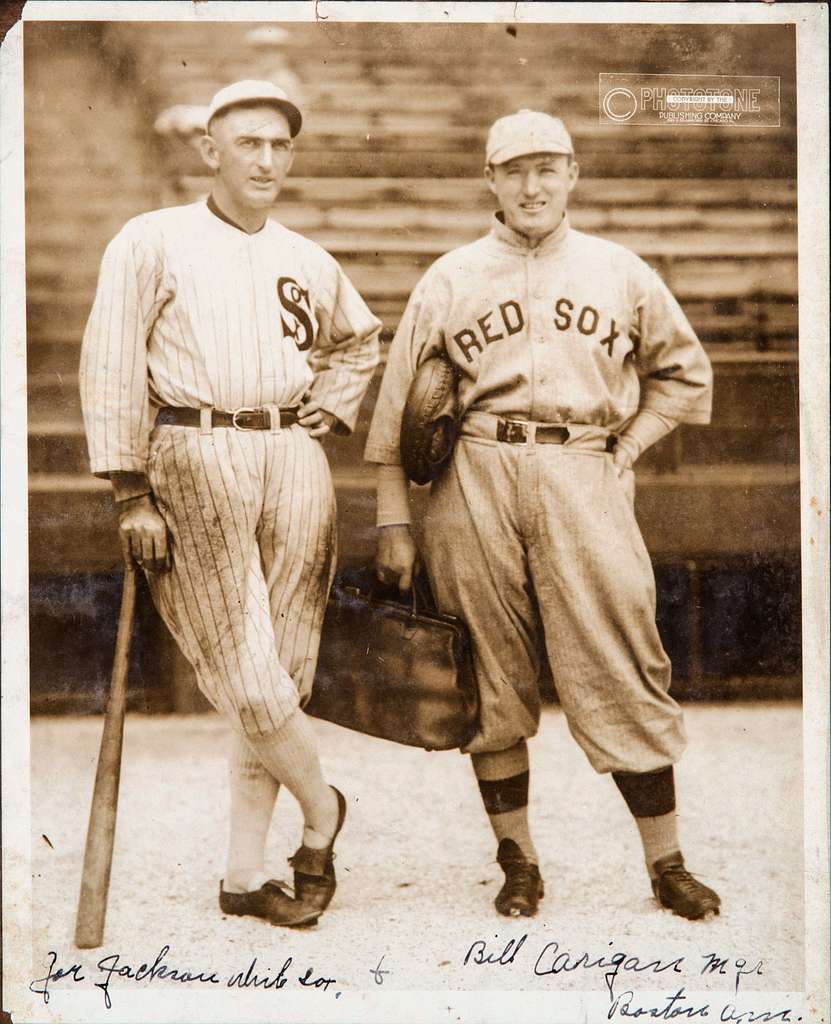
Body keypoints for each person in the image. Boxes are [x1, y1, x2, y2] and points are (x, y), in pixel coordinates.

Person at [365, 109, 721, 920]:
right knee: (485, 675)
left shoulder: (617, 269)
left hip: (580, 469)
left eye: (547, 168)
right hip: (472, 473)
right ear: (489, 180)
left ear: (572, 175)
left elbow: (683, 375)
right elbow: (392, 418)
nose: (531, 185)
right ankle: (517, 861)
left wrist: (626, 447)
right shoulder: (450, 276)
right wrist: (394, 522)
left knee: (622, 659)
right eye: (514, 169)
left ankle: (666, 865)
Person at [79, 80, 381, 928]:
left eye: (280, 145)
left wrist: (334, 399)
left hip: (292, 453)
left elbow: (359, 339)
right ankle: (324, 814)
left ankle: (245, 879)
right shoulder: (152, 239)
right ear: (209, 150)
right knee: (246, 675)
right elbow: (109, 363)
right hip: (192, 447)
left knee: (284, 671)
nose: (266, 159)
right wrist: (129, 491)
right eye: (248, 142)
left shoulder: (305, 255)